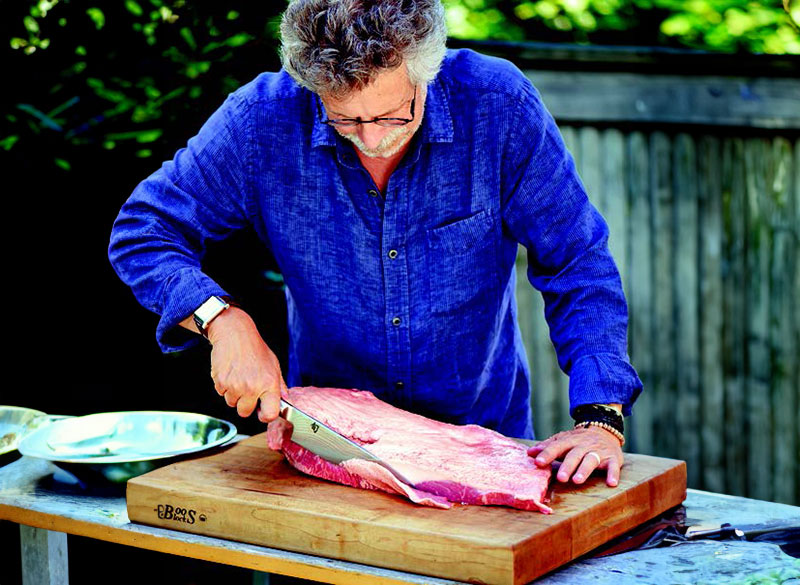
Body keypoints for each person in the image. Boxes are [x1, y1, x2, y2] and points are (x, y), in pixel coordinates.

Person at [109, 0, 642, 488]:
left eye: (392, 115)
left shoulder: (497, 106)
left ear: (425, 69)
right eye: (342, 118)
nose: (369, 138)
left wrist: (601, 415)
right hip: (332, 454)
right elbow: (144, 229)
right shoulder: (261, 120)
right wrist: (220, 320)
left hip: (484, 447)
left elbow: (576, 259)